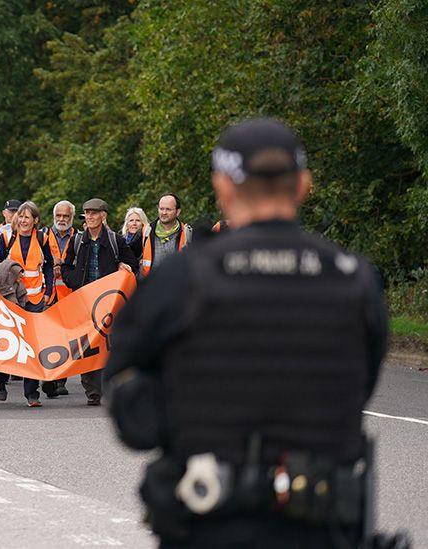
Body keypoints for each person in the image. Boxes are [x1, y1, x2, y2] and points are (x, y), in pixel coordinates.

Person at [104, 118, 391, 548]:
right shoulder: (355, 281)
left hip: (210, 526)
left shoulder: (185, 278)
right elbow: (360, 386)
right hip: (321, 527)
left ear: (223, 187)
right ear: (302, 185)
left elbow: (131, 415)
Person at [60, 198, 137, 406]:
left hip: (108, 303)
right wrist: (75, 281)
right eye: (87, 214)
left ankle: (110, 386)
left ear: (103, 216)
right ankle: (93, 392)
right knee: (87, 346)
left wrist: (123, 266)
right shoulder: (77, 240)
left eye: (94, 213)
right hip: (84, 301)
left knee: (108, 345)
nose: (90, 217)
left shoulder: (115, 240)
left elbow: (132, 265)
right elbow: (65, 266)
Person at [0, 201, 54, 407]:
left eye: (27, 217)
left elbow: (49, 266)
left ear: (35, 220)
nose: (23, 220)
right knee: (11, 341)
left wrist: (49, 290)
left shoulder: (42, 238)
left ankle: (32, 393)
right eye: (20, 216)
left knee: (32, 345)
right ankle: (0, 379)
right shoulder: (6, 237)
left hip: (36, 299)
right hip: (12, 298)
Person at [41, 200, 77, 396]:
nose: (62, 219)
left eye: (66, 216)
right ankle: (49, 377)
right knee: (48, 338)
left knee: (65, 340)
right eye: (59, 216)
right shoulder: (43, 236)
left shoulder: (78, 237)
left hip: (68, 296)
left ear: (71, 217)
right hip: (47, 295)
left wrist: (62, 264)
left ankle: (59, 380)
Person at [140, 194, 192, 277]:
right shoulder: (146, 231)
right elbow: (129, 254)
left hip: (176, 286)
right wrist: (122, 263)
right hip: (150, 285)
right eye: (161, 209)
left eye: (168, 209)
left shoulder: (187, 233)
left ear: (177, 212)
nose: (164, 212)